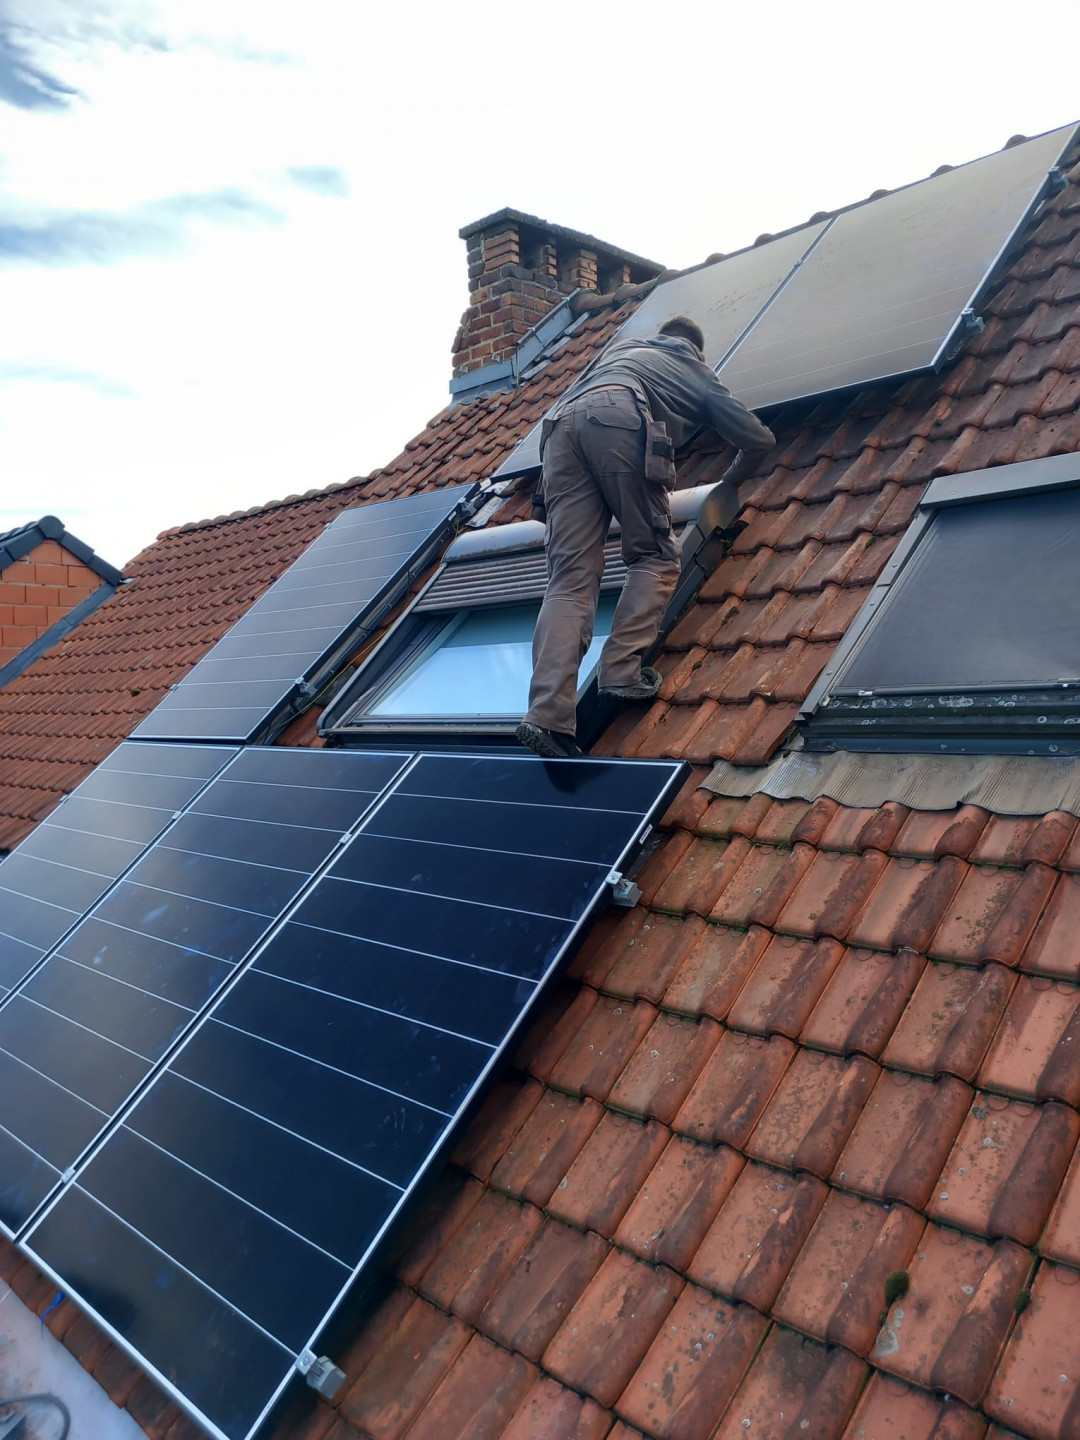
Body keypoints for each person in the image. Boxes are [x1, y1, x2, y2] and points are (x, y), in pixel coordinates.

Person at [515, 314, 775, 759]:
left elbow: (579, 420)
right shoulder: (694, 368)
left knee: (569, 582)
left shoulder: (618, 353)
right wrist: (727, 484)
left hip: (556, 431)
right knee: (655, 555)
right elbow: (758, 440)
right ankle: (621, 671)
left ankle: (546, 717)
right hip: (617, 417)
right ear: (696, 348)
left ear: (661, 337)